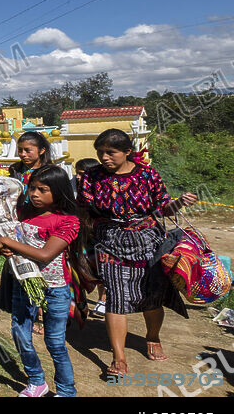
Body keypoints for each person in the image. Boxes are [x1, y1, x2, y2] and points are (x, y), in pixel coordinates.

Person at [78, 129, 197, 378]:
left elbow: (164, 207)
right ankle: (118, 357)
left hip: (148, 240)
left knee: (152, 294)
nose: (105, 158)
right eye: (100, 153)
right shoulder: (91, 176)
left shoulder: (147, 174)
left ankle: (152, 336)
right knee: (116, 297)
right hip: (110, 241)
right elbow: (83, 210)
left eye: (111, 152)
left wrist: (180, 202)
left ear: (128, 152)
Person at [0, 165, 92, 396]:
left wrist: (6, 241)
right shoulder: (24, 213)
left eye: (43, 190)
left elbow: (46, 254)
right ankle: (36, 381)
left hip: (55, 288)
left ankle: (66, 391)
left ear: (58, 191)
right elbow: (8, 238)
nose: (35, 194)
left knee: (55, 343)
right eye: (32, 188)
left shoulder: (68, 221)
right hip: (24, 282)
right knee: (20, 332)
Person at [1, 132, 54, 332]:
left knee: (42, 267)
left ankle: (43, 313)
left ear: (41, 151)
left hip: (42, 223)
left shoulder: (50, 172)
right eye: (20, 150)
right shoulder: (15, 170)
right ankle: (28, 310)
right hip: (19, 222)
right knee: (23, 264)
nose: (23, 154)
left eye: (27, 150)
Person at [74, 158, 107, 317]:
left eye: (82, 174)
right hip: (82, 234)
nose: (78, 177)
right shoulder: (74, 186)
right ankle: (81, 300)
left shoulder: (101, 190)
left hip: (99, 234)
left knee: (102, 267)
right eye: (77, 173)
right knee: (83, 266)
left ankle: (104, 299)